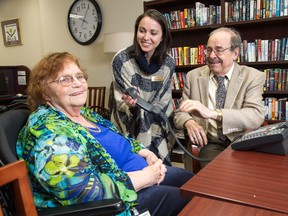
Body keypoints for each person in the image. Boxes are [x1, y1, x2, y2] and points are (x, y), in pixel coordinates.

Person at [16, 52, 193, 216]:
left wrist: (147, 154)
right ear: (45, 91)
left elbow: (123, 140)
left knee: (192, 182)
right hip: (118, 204)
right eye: (65, 80)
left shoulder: (85, 114)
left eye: (79, 77)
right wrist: (146, 177)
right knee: (190, 200)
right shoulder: (48, 134)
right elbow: (86, 192)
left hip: (141, 175)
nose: (77, 83)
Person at [174, 27, 265, 169]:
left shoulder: (252, 77)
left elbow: (255, 115)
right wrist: (189, 122)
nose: (211, 56)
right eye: (209, 50)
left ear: (235, 53)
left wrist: (214, 113)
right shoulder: (193, 76)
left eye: (218, 50)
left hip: (241, 142)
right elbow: (180, 112)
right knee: (220, 176)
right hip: (209, 144)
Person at [111, 9, 175, 165]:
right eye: (142, 31)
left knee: (163, 174)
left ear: (162, 38)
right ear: (136, 32)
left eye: (153, 33)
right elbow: (126, 104)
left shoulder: (168, 63)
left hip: (156, 126)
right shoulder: (122, 59)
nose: (146, 37)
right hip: (128, 128)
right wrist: (133, 106)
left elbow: (164, 101)